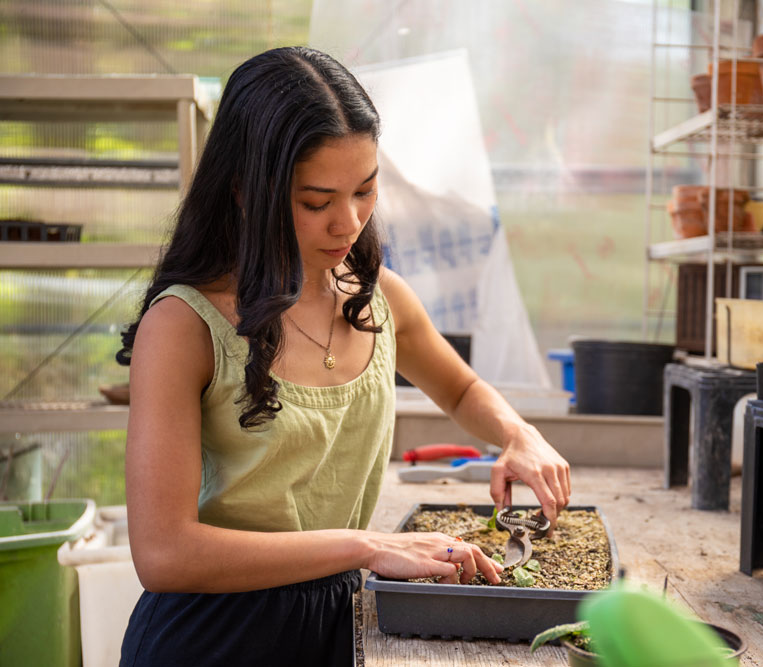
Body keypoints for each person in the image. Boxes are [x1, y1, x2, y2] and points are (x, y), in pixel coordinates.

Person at [116, 46, 570, 666]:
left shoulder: (377, 299)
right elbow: (164, 554)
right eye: (316, 200)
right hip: (215, 637)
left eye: (366, 189)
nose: (349, 222)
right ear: (247, 192)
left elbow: (460, 391)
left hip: (346, 627)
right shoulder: (185, 325)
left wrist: (518, 434)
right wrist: (364, 546)